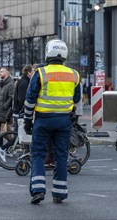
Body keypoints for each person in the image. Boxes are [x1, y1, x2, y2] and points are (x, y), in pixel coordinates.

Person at [24, 39, 81, 204]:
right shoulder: (74, 74)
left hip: (43, 120)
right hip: (64, 120)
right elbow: (76, 99)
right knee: (61, 155)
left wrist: (27, 120)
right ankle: (59, 193)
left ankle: (38, 190)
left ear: (48, 53)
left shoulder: (41, 73)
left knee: (38, 155)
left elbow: (30, 99)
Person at [0, 67, 15, 160]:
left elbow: (12, 97)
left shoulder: (10, 84)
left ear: (7, 73)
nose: (0, 73)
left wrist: (5, 106)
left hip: (4, 111)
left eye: (2, 71)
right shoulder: (1, 84)